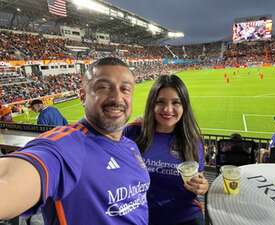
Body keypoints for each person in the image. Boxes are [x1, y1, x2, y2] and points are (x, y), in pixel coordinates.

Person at [0, 57, 150, 225]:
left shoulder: (130, 145)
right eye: (103, 87)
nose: (117, 97)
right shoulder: (65, 146)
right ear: (82, 96)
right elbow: (11, 179)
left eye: (125, 89)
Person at [123, 74, 209, 225]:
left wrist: (202, 186)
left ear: (184, 106)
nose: (168, 109)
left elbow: (199, 177)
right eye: (160, 102)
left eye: (176, 102)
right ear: (152, 104)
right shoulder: (132, 133)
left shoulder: (192, 140)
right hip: (141, 216)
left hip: (185, 216)